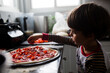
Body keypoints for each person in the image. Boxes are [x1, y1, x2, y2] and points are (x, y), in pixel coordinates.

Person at [27, 3, 110, 73]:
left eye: (74, 32)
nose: (70, 34)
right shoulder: (85, 43)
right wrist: (42, 36)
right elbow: (62, 39)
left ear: (90, 35)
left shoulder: (96, 62)